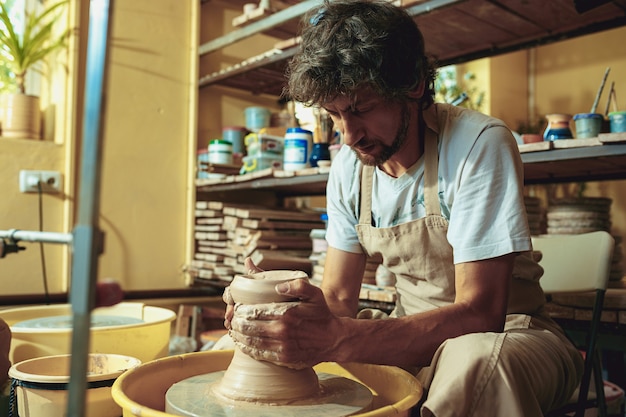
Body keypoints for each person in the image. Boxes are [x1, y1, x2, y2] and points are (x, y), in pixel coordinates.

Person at [223, 1, 583, 416]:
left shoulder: (477, 143)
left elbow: (482, 314)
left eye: (361, 109)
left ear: (412, 84)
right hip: (406, 334)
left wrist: (338, 338)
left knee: (476, 362)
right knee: (256, 349)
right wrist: (272, 314)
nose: (350, 134)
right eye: (335, 115)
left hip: (511, 335)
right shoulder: (348, 167)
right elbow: (339, 297)